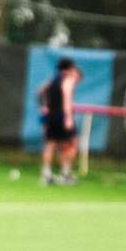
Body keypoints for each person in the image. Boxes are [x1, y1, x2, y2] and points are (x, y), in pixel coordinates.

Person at [40, 58, 80, 186]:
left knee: (50, 144)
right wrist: (68, 118)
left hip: (51, 115)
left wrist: (44, 105)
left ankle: (46, 174)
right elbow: (67, 99)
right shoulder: (67, 81)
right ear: (69, 68)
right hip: (62, 116)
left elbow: (39, 91)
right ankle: (65, 174)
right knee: (71, 144)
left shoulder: (53, 80)